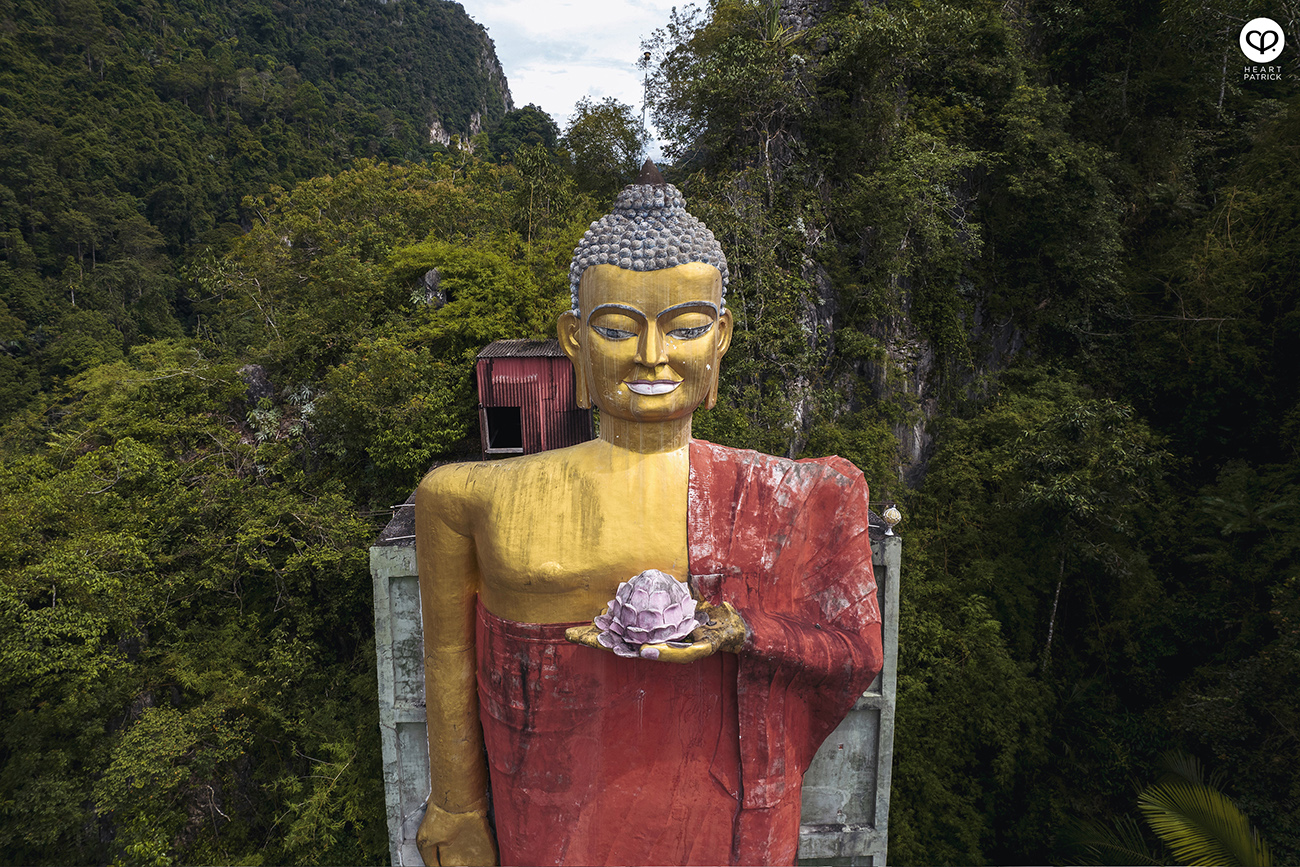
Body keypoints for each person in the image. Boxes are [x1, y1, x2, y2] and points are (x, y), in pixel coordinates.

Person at [415, 164, 882, 867]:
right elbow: (446, 656)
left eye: (687, 326)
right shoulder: (466, 499)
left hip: (717, 811)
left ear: (721, 337)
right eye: (617, 327)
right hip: (547, 812)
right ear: (573, 337)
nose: (653, 355)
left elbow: (852, 648)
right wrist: (456, 805)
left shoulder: (793, 496)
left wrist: (747, 630)